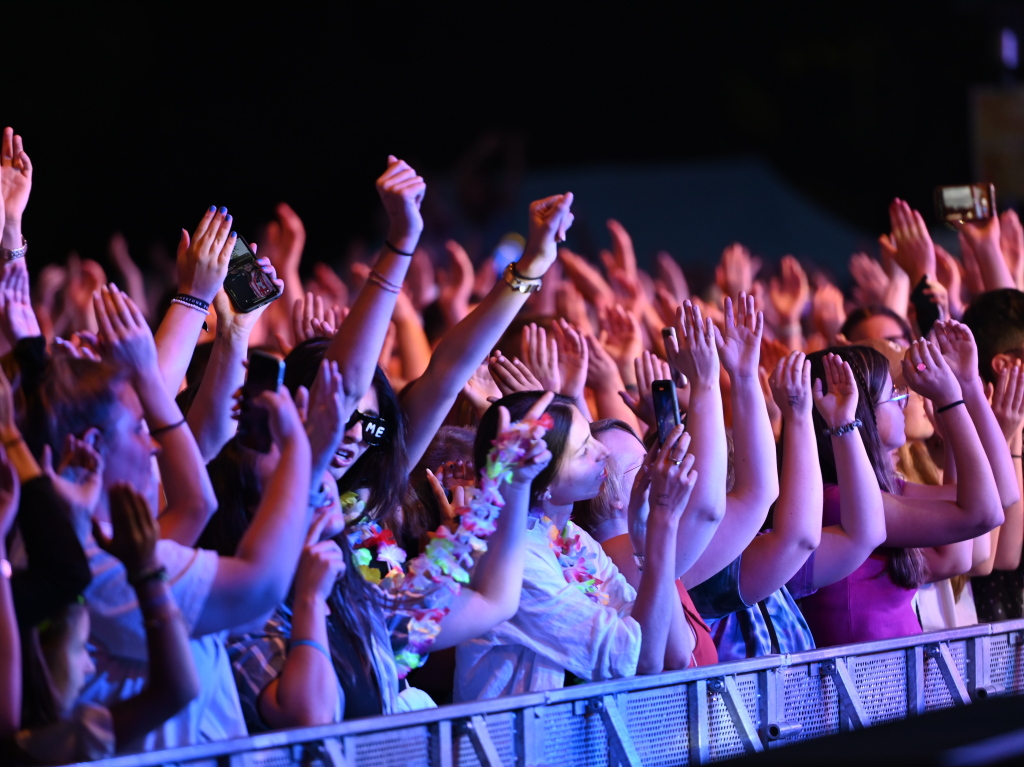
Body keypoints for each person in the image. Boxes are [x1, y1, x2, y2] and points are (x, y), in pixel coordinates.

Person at [455, 388, 720, 700]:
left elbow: (672, 655)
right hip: (516, 746)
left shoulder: (574, 539)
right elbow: (640, 659)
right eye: (583, 451)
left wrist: (645, 532)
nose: (603, 452)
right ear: (538, 481)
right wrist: (664, 523)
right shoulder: (514, 559)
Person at [799, 332, 1013, 646]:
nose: (905, 402)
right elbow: (983, 513)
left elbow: (999, 495)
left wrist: (966, 384)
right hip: (868, 687)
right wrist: (950, 401)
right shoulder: (838, 501)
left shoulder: (880, 489)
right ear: (863, 411)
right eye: (894, 394)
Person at [2, 483, 199, 764]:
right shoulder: (38, 748)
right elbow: (176, 689)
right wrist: (146, 571)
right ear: (39, 652)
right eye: (81, 647)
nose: (89, 665)